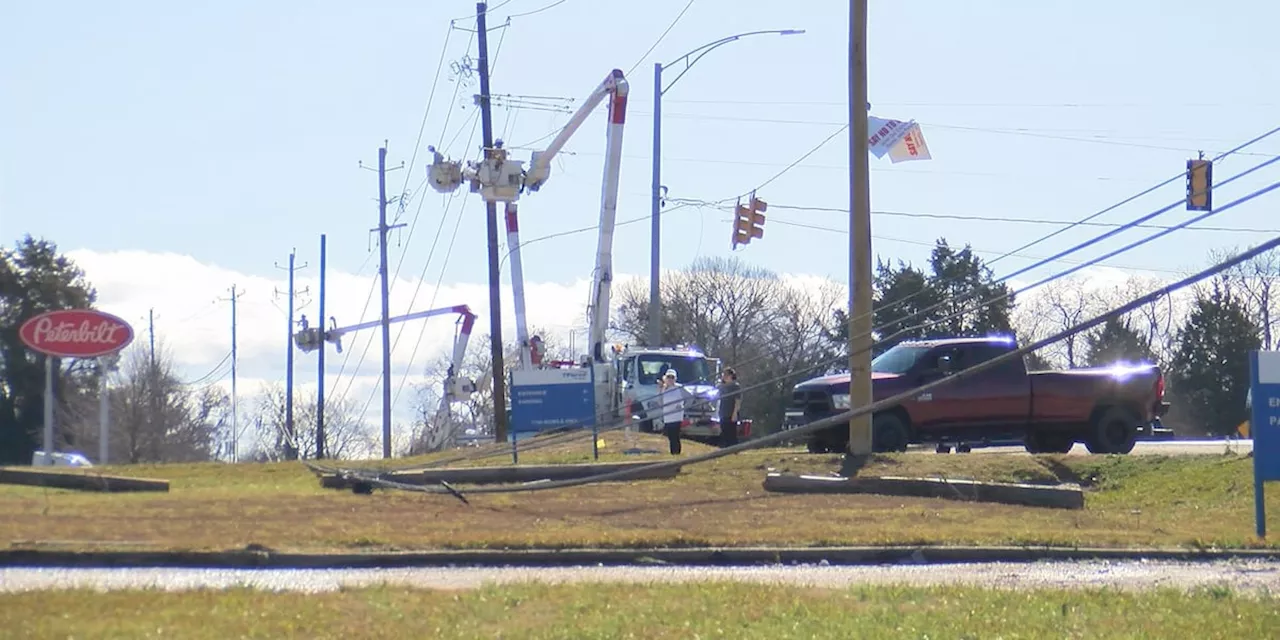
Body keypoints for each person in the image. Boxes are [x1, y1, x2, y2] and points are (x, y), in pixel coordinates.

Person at [657, 369, 689, 455]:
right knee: (670, 435)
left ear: (675, 378)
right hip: (667, 416)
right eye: (669, 377)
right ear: (665, 378)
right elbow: (660, 402)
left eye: (672, 377)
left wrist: (683, 406)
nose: (670, 379)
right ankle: (673, 452)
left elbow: (690, 397)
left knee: (675, 435)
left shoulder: (679, 387)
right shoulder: (663, 389)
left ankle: (676, 452)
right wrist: (660, 390)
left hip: (677, 416)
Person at [717, 367, 742, 447]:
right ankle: (725, 448)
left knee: (731, 433)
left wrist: (735, 413)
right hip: (723, 413)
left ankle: (733, 449)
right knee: (724, 432)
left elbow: (737, 401)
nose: (724, 376)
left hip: (731, 413)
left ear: (731, 375)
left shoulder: (735, 386)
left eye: (726, 375)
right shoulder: (721, 386)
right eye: (723, 375)